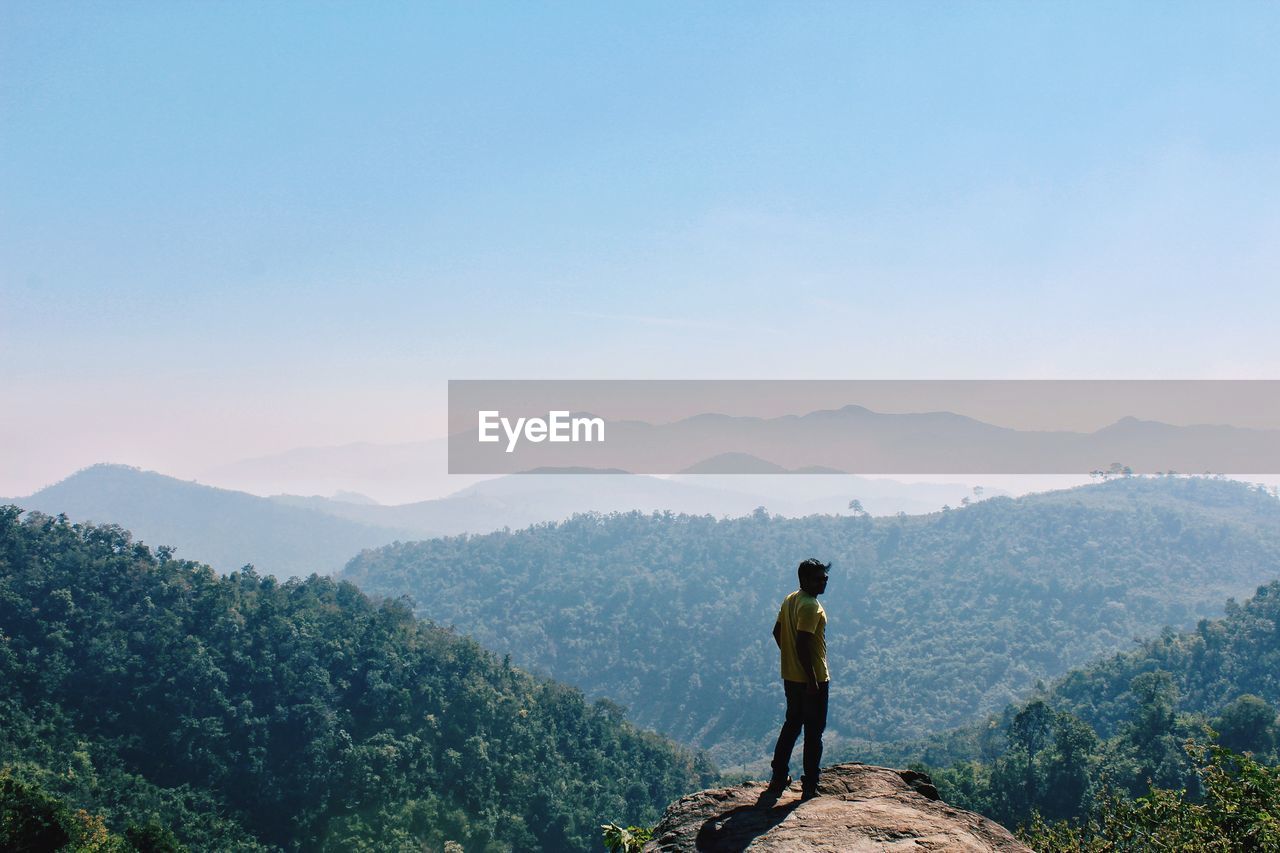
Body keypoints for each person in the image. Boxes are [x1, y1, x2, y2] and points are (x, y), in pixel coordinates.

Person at [767, 558, 830, 800]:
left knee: (792, 724)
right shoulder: (810, 606)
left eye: (825, 577)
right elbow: (803, 643)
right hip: (812, 679)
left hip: (792, 677)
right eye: (818, 578)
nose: (823, 582)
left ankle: (779, 775)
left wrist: (790, 659)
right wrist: (812, 679)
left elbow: (777, 632)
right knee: (814, 733)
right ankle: (810, 784)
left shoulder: (791, 599)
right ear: (804, 579)